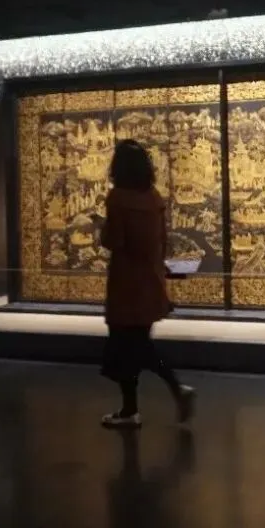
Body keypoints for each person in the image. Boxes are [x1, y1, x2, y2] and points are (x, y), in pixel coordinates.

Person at [95, 139, 194, 429]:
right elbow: (162, 241)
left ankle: (173, 390)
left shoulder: (117, 198)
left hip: (126, 284)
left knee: (131, 348)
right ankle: (131, 409)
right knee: (136, 346)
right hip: (150, 281)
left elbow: (115, 240)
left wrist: (100, 228)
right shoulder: (154, 198)